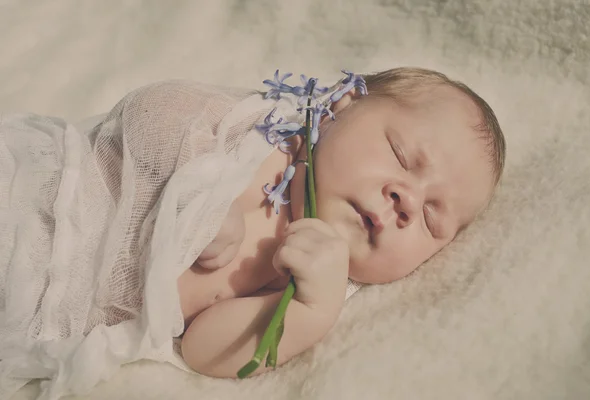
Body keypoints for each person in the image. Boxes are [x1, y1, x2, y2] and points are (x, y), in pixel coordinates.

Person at [178, 67, 506, 378]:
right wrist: (201, 196)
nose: (408, 200)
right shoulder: (267, 136)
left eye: (430, 218)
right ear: (340, 105)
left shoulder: (318, 285)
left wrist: (311, 310)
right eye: (401, 155)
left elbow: (201, 351)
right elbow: (155, 115)